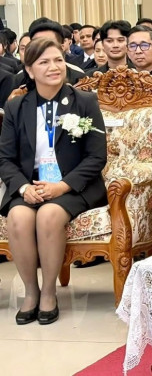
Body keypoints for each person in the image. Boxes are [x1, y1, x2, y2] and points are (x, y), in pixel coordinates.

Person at [0, 39, 107, 325]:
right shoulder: (16, 107)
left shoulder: (85, 101)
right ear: (29, 70)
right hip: (30, 185)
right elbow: (5, 158)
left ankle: (48, 292)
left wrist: (62, 186)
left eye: (58, 60)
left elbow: (96, 157)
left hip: (73, 186)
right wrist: (24, 188)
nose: (54, 67)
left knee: (49, 215)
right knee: (18, 217)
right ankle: (31, 292)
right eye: (44, 62)